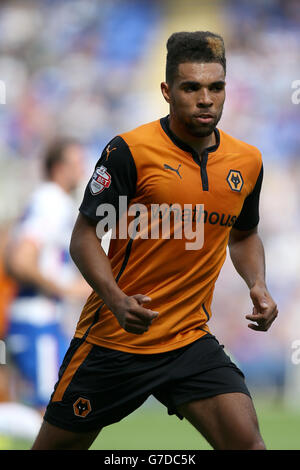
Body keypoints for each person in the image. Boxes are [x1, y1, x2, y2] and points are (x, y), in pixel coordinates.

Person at [31, 31, 278, 450]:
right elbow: (83, 237)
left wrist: (257, 283)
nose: (205, 99)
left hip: (188, 339)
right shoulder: (130, 150)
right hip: (115, 339)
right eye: (191, 88)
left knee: (248, 445)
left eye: (215, 87)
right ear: (167, 91)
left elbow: (245, 234)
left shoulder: (247, 161)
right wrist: (114, 298)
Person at [5, 138, 91, 414]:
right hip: (36, 321)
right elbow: (19, 260)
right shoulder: (50, 201)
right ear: (58, 167)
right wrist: (67, 288)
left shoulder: (52, 201)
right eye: (76, 163)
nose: (82, 170)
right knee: (50, 415)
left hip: (43, 321)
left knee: (55, 414)